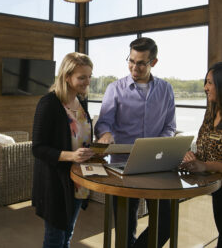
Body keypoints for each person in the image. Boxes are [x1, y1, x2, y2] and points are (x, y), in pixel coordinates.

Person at [95, 37, 176, 247]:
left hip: (155, 167)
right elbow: (104, 122)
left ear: (154, 62)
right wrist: (105, 134)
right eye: (131, 61)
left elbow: (170, 127)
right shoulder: (115, 88)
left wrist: (158, 146)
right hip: (123, 167)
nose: (134, 67)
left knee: (165, 223)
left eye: (141, 63)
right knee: (125, 227)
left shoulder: (166, 90)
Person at [32, 52, 95, 248]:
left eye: (89, 76)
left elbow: (81, 137)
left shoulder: (81, 102)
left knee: (67, 234)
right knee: (55, 238)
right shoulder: (49, 104)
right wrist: (72, 156)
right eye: (82, 77)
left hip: (78, 180)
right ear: (67, 77)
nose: (87, 81)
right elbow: (38, 148)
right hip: (56, 182)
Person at [181, 62, 222, 248]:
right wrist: (192, 158)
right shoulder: (211, 112)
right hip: (217, 188)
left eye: (210, 83)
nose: (205, 88)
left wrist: (205, 166)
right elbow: (202, 146)